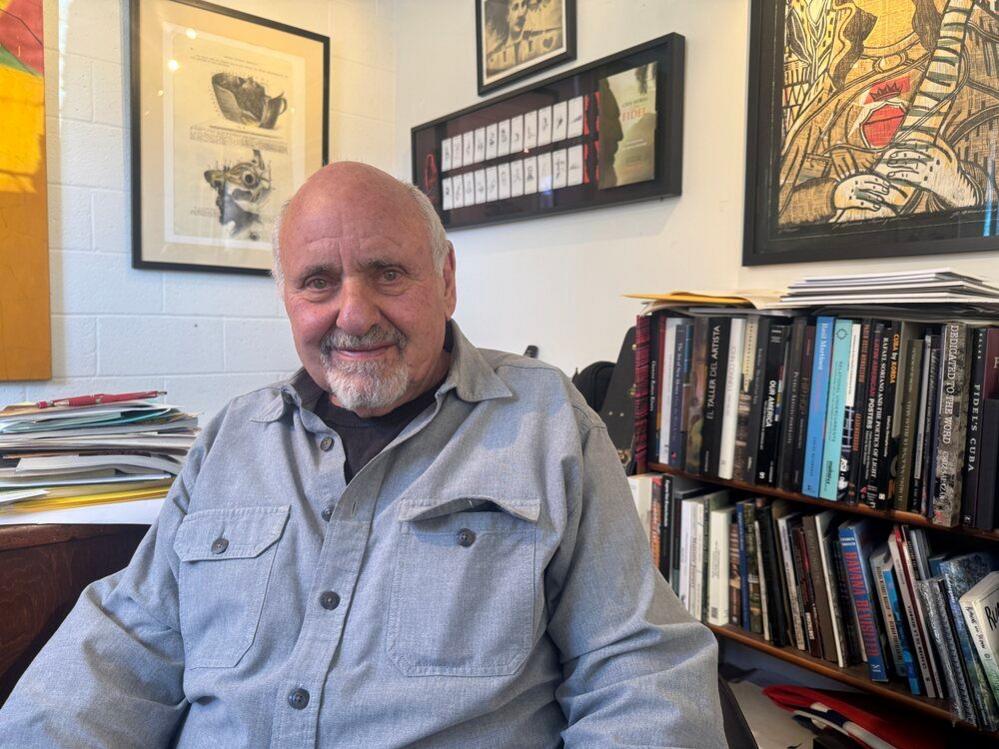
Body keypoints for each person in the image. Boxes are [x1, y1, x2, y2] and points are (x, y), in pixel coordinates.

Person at [0, 162, 726, 748]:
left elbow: (638, 666)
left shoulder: (546, 422)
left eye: (386, 272)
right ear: (288, 297)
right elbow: (126, 645)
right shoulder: (230, 439)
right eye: (318, 281)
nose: (353, 313)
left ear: (444, 279)